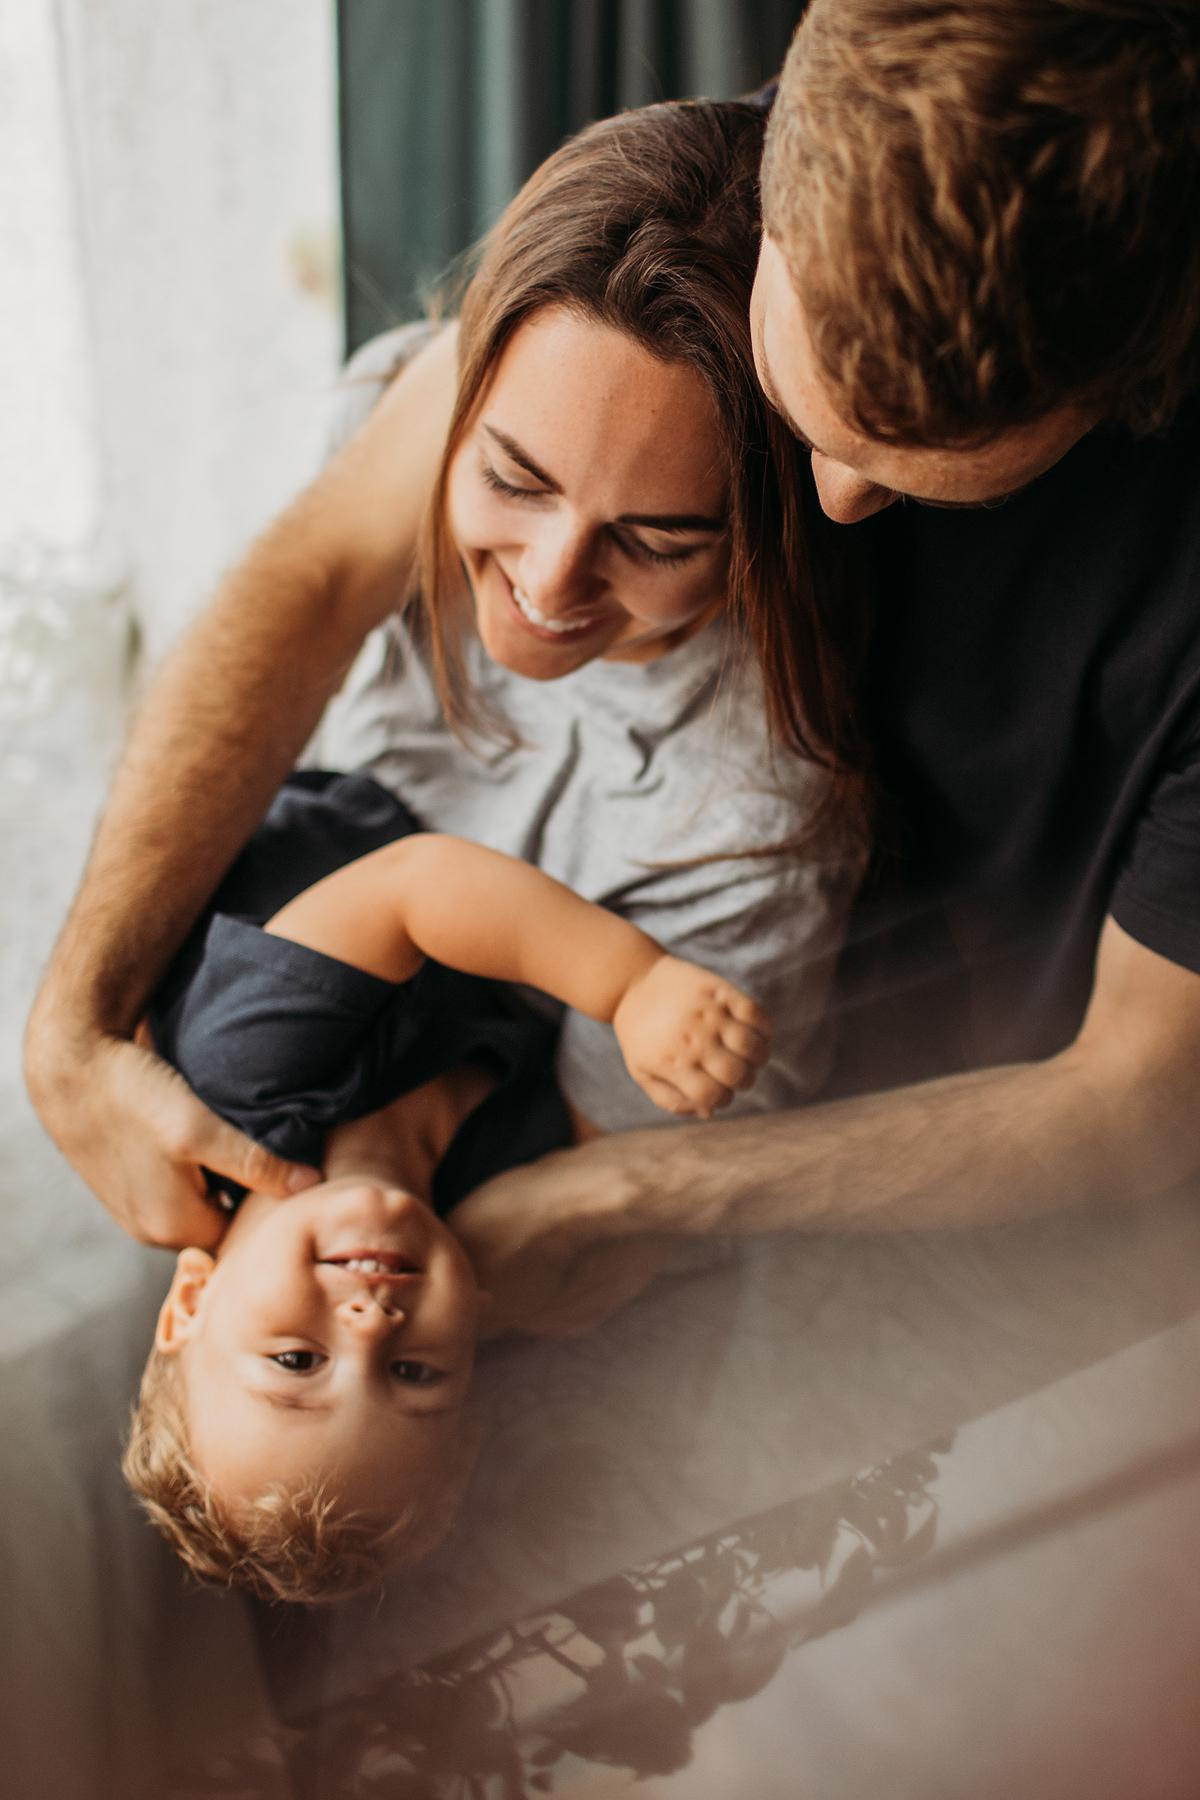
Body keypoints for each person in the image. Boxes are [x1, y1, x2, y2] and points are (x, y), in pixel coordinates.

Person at [24, 3, 1200, 1293]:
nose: (837, 508)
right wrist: (72, 1026)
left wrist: (619, 1193)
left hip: (976, 1177)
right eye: (806, 416)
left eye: (928, 476)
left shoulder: (759, 821)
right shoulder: (804, 155)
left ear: (1127, 382)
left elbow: (1139, 1101)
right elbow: (319, 571)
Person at [123, 769, 767, 1603]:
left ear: (190, 1302)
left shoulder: (240, 1080)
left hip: (358, 813)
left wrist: (632, 984)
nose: (370, 1325)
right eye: (415, 1374)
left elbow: (417, 886)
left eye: (295, 1359)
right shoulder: (505, 1177)